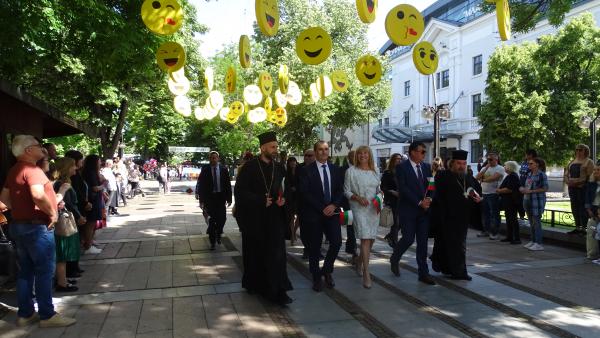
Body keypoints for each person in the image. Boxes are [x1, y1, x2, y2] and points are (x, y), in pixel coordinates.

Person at [0, 135, 76, 327]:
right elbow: (37, 194)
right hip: (37, 227)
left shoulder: (14, 170)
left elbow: (4, 199)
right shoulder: (32, 170)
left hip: (20, 225)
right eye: (38, 146)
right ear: (28, 151)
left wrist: (20, 210)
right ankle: (47, 315)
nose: (42, 149)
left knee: (25, 271)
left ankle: (25, 314)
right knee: (44, 271)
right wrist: (51, 213)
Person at [234, 131, 292, 306]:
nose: (276, 150)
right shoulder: (250, 168)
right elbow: (240, 193)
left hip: (275, 218)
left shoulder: (280, 168)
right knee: (256, 254)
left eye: (276, 146)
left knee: (277, 255)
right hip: (255, 219)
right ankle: (256, 284)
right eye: (273, 147)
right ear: (263, 148)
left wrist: (283, 200)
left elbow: (286, 188)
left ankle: (279, 290)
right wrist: (259, 200)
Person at [299, 141, 344, 292]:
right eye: (320, 149)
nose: (324, 152)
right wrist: (322, 208)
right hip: (314, 214)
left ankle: (327, 270)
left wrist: (334, 205)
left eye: (326, 149)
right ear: (315, 151)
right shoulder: (306, 171)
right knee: (314, 247)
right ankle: (316, 277)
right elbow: (305, 193)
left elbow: (339, 190)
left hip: (332, 213)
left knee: (337, 242)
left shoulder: (335, 169)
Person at [430, 150, 482, 280]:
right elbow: (438, 196)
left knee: (457, 245)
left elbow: (474, 189)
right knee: (450, 244)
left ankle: (452, 269)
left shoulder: (467, 176)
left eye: (464, 163)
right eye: (459, 163)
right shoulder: (442, 176)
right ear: (452, 163)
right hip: (446, 216)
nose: (461, 166)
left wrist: (476, 196)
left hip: (462, 217)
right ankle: (458, 272)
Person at [389, 141, 436, 285]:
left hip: (424, 212)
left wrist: (429, 199)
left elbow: (431, 185)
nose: (424, 154)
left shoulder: (427, 167)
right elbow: (403, 189)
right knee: (408, 238)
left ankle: (423, 273)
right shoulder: (401, 167)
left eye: (424, 152)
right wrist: (418, 202)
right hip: (408, 210)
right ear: (413, 152)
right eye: (422, 152)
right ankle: (395, 258)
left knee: (422, 242)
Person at [344, 146, 381, 288]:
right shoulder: (350, 171)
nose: (363, 155)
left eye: (365, 153)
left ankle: (359, 261)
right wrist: (357, 198)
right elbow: (346, 191)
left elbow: (379, 189)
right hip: (359, 207)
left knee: (371, 240)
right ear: (356, 156)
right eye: (360, 154)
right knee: (365, 239)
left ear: (369, 155)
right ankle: (366, 273)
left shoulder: (375, 171)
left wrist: (380, 196)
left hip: (373, 208)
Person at [52, 157, 84, 292]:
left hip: (62, 220)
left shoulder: (61, 183)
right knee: (62, 252)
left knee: (62, 253)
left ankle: (62, 278)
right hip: (63, 222)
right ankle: (62, 282)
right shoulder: (62, 184)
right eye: (72, 166)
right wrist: (78, 216)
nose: (76, 168)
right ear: (66, 168)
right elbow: (68, 204)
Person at [197, 151, 232, 250]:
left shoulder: (223, 169)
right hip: (209, 199)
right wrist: (201, 200)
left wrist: (229, 199)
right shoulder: (205, 169)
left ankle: (218, 232)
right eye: (211, 158)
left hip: (221, 198)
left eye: (215, 158)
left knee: (222, 219)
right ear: (209, 159)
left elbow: (227, 185)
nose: (213, 159)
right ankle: (212, 241)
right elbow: (201, 185)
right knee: (212, 220)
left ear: (218, 158)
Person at [565, 144, 594, 235]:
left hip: (583, 189)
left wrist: (577, 182)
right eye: (577, 150)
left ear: (586, 151)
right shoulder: (572, 162)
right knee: (574, 207)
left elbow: (590, 177)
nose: (578, 152)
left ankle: (584, 229)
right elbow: (566, 174)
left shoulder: (589, 162)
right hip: (572, 189)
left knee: (583, 208)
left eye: (580, 150)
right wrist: (568, 181)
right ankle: (577, 227)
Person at [476, 152, 505, 240]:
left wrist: (483, 179)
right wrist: (485, 169)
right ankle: (486, 231)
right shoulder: (485, 168)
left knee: (494, 214)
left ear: (496, 159)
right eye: (488, 159)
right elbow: (477, 177)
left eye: (491, 159)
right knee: (485, 214)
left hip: (494, 194)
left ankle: (495, 232)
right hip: (484, 193)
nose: (489, 161)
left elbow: (494, 178)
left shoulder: (500, 168)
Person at [522, 157, 549, 251]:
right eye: (528, 163)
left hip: (536, 200)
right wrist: (523, 190)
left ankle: (539, 243)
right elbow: (526, 186)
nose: (529, 165)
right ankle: (533, 241)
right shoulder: (529, 174)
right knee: (531, 222)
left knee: (536, 222)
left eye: (531, 163)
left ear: (537, 164)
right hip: (527, 199)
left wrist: (531, 191)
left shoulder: (541, 175)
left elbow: (545, 188)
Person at [82, 155, 106, 254]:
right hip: (94, 201)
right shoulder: (91, 173)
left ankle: (89, 243)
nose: (100, 163)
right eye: (99, 161)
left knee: (91, 224)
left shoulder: (90, 172)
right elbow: (95, 188)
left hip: (94, 200)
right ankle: (88, 245)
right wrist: (104, 185)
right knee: (90, 224)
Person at [297, 149, 316, 259]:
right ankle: (307, 248)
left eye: (310, 155)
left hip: (316, 206)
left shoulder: (319, 168)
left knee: (315, 230)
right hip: (303, 205)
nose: (307, 157)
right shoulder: (300, 168)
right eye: (306, 155)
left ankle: (314, 250)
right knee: (304, 230)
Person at [497, 161, 522, 244]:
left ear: (509, 167)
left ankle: (517, 238)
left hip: (512, 201)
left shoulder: (513, 176)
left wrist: (499, 190)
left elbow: (509, 189)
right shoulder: (510, 176)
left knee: (513, 219)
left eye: (505, 166)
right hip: (507, 201)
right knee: (509, 219)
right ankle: (510, 236)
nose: (504, 167)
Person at [382, 153, 402, 248]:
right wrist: (392, 192)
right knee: (396, 222)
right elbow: (383, 187)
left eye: (400, 159)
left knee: (401, 222)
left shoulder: (402, 171)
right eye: (397, 159)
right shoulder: (387, 172)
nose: (399, 160)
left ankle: (390, 236)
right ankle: (394, 242)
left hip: (401, 200)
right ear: (393, 160)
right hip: (392, 200)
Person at [340, 150, 357, 257]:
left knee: (356, 226)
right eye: (352, 156)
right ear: (348, 157)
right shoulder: (342, 170)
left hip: (359, 203)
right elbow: (341, 186)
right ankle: (352, 248)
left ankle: (351, 246)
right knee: (350, 225)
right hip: (347, 202)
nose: (355, 158)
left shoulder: (360, 168)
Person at [584, 165, 600, 260]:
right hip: (593, 211)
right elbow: (587, 197)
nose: (595, 171)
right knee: (591, 231)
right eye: (594, 169)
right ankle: (592, 254)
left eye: (598, 170)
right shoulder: (591, 184)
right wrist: (588, 209)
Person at [284, 157, 300, 244]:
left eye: (294, 162)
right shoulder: (287, 173)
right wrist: (291, 189)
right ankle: (292, 237)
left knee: (299, 217)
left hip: (298, 197)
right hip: (290, 198)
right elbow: (286, 185)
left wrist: (296, 188)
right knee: (291, 217)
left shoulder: (300, 171)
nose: (293, 163)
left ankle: (293, 232)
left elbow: (302, 182)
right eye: (291, 162)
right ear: (289, 163)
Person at [518, 149, 537, 220]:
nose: (525, 156)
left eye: (526, 154)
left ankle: (533, 220)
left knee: (530, 206)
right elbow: (521, 172)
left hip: (530, 187)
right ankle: (522, 217)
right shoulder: (524, 162)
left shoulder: (536, 162)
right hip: (522, 186)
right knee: (521, 203)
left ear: (531, 155)